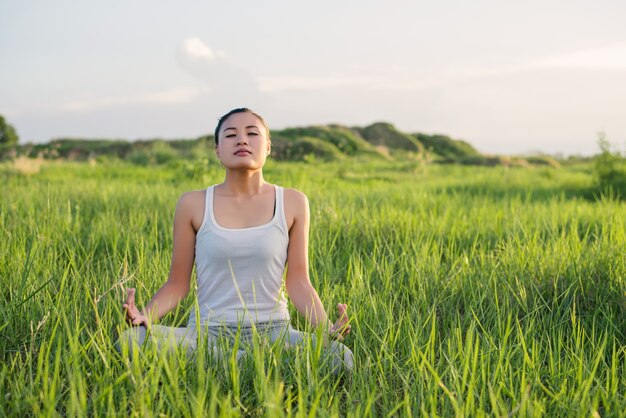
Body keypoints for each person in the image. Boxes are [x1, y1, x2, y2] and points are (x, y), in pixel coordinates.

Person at [117, 108, 353, 373]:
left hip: (274, 333)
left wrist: (326, 327)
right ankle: (255, 367)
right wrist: (144, 316)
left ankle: (229, 366)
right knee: (131, 341)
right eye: (230, 135)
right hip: (208, 332)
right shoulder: (192, 203)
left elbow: (298, 281)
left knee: (340, 357)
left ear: (268, 147)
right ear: (217, 149)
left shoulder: (293, 202)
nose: (242, 140)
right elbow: (177, 283)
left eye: (252, 133)